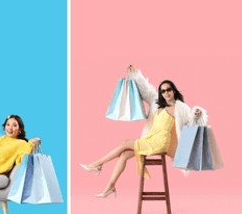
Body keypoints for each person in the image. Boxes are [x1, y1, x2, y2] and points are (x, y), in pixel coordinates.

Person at [79, 65, 206, 198]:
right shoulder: (157, 103)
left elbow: (191, 122)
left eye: (169, 90)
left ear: (174, 91)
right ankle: (110, 186)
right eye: (163, 91)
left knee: (125, 142)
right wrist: (135, 75)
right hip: (150, 139)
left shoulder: (181, 108)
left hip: (161, 142)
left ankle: (97, 164)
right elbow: (146, 89)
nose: (166, 93)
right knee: (124, 155)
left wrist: (198, 114)